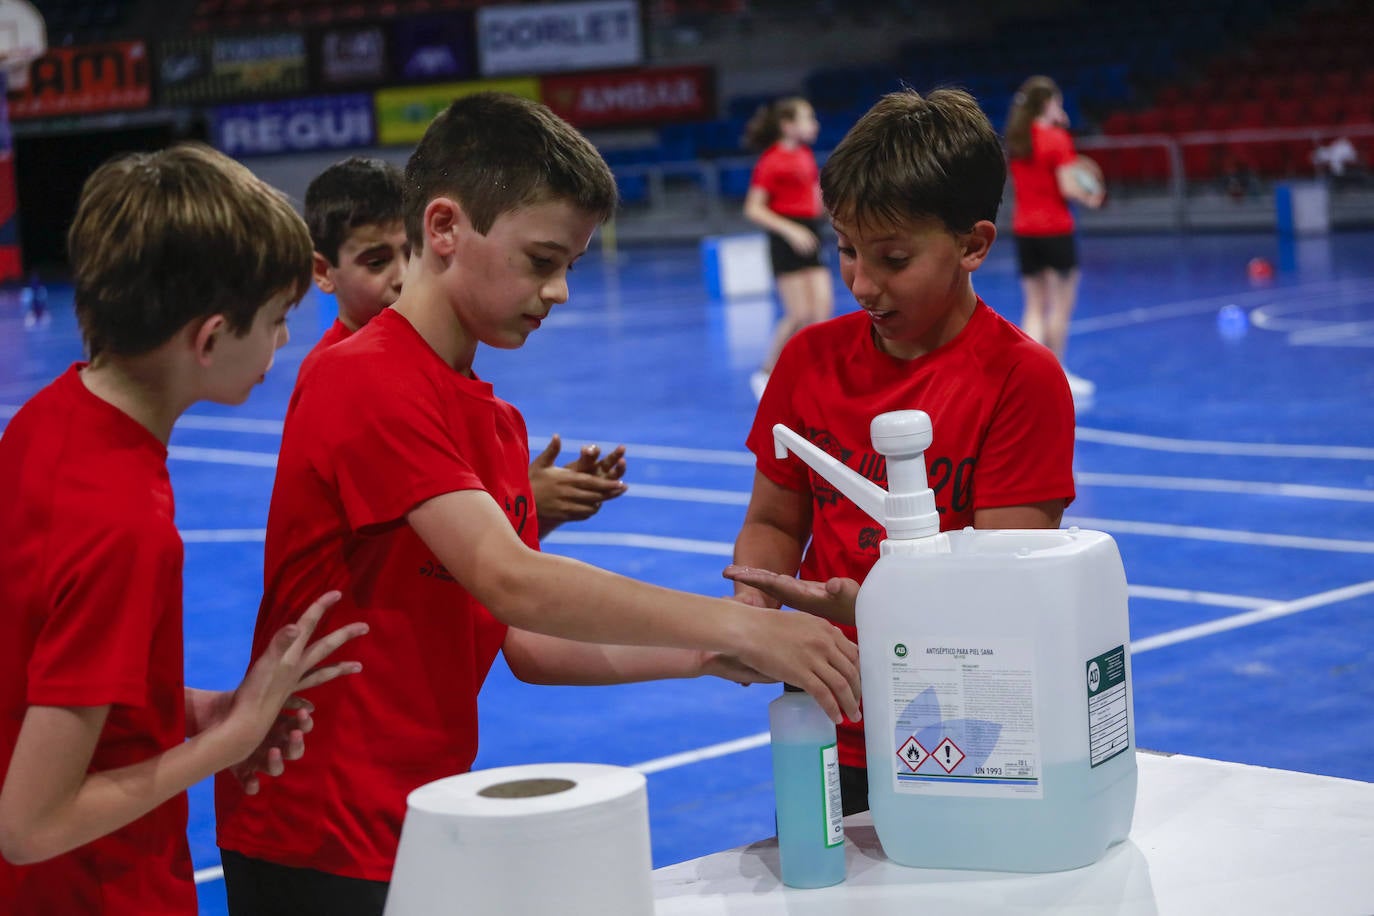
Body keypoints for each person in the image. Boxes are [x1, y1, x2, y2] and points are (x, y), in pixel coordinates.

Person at [214, 92, 861, 914]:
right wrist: (740, 622)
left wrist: (714, 656)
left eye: (570, 267)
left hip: (420, 813)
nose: (558, 292)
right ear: (444, 229)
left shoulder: (493, 420)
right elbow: (509, 578)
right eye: (541, 260)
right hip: (314, 822)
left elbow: (524, 639)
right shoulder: (363, 375)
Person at [0, 144, 368, 914]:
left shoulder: (47, 422)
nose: (282, 343)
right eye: (275, 320)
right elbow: (31, 824)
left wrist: (209, 709)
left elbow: (49, 688)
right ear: (208, 339)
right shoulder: (124, 524)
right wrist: (222, 748)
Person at [726, 88, 1077, 817]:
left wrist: (880, 610)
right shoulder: (808, 361)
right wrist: (754, 608)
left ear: (973, 245)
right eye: (847, 251)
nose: (860, 283)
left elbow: (1005, 584)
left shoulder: (1020, 380)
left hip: (963, 712)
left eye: (892, 258)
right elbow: (775, 519)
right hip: (824, 709)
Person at [300, 155, 628, 536]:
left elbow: (451, 575)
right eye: (376, 262)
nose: (402, 275)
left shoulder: (478, 401)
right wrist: (524, 500)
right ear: (324, 272)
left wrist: (524, 503)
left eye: (411, 252)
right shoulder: (345, 379)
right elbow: (461, 564)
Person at [1004, 75, 1103, 400]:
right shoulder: (1056, 139)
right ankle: (1057, 374)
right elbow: (1067, 187)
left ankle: (1029, 378)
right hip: (1056, 231)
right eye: (1057, 102)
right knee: (1059, 309)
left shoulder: (1018, 139)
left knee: (1034, 307)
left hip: (1024, 232)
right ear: (1048, 103)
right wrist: (1091, 195)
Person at [742, 96, 834, 401]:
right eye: (808, 119)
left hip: (810, 231)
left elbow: (813, 200)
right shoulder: (771, 160)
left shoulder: (806, 155)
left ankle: (814, 376)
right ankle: (766, 372)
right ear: (788, 125)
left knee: (822, 309)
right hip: (786, 234)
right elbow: (754, 209)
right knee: (799, 313)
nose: (815, 125)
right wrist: (791, 229)